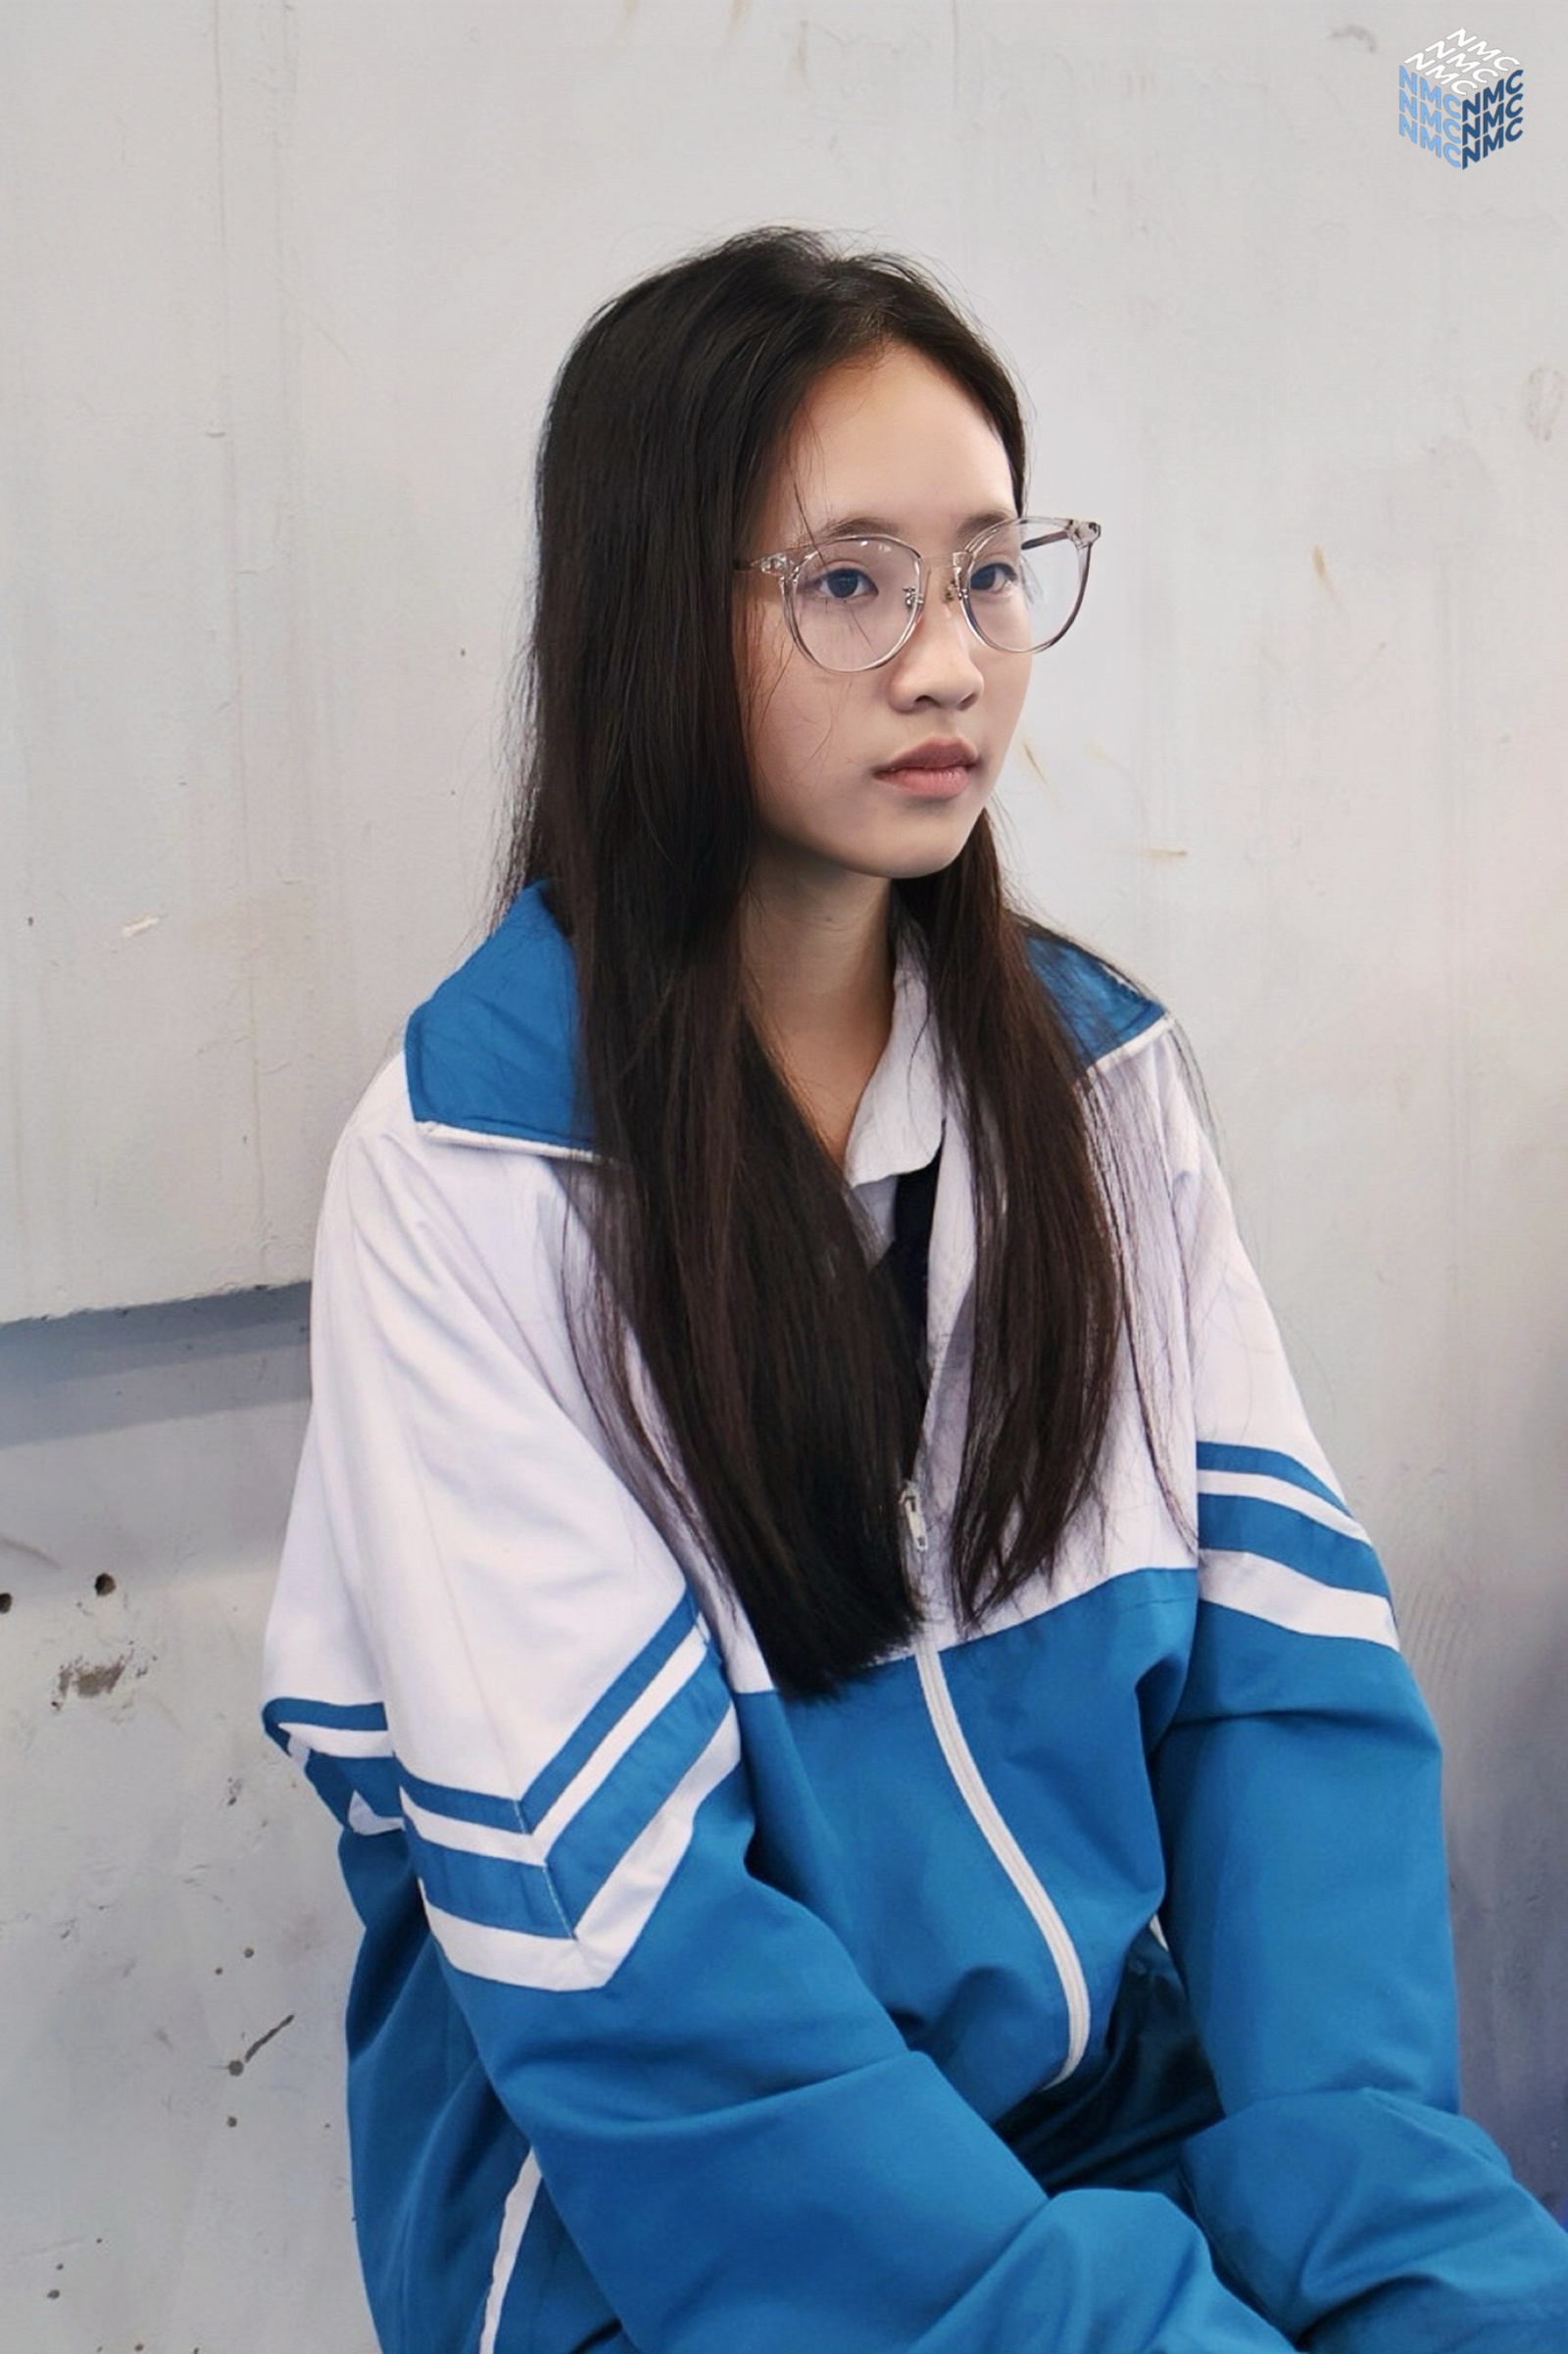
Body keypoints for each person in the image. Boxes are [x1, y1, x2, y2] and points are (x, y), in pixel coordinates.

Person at [262, 228, 1568, 2354]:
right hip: (654, 2237)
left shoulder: (1095, 1090)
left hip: (1094, 2128)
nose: (950, 662)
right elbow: (639, 1973)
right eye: (851, 583)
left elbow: (1281, 1702)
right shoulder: (475, 1177)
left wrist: (1384, 2232)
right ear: (650, 619)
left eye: (986, 573)